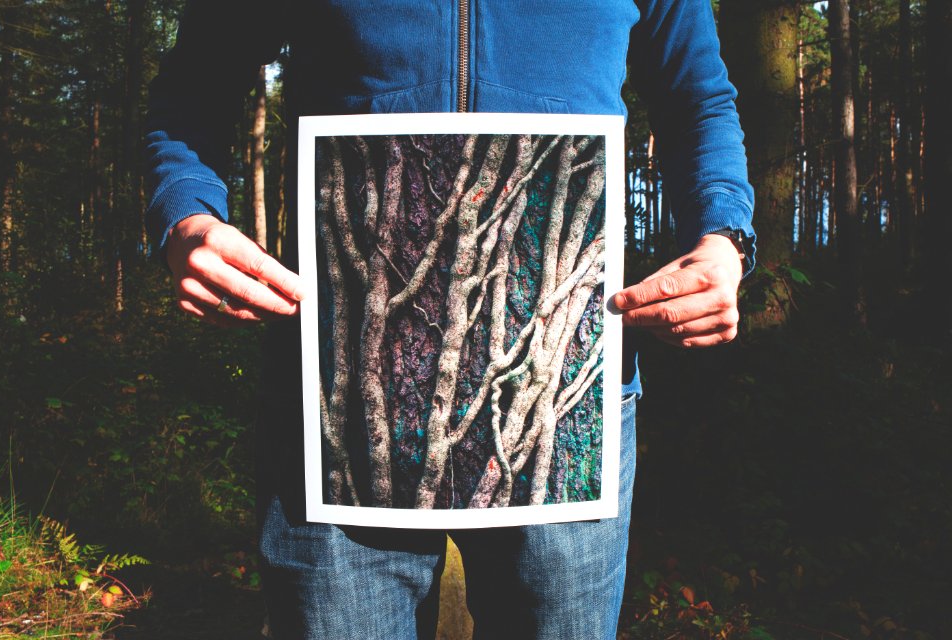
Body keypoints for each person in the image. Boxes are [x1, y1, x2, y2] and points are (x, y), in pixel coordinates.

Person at [145, 1, 755, 637]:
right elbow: (196, 83)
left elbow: (699, 99)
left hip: (564, 394)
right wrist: (187, 214)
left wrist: (722, 235)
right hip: (335, 394)